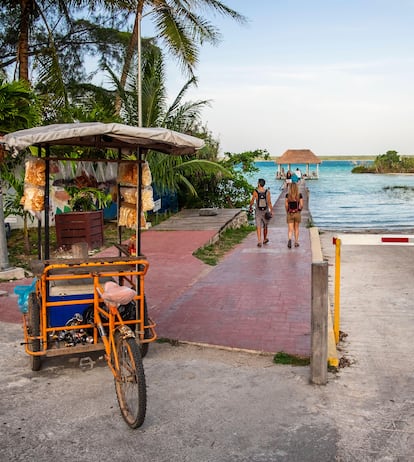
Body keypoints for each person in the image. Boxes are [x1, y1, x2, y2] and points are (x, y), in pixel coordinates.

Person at [249, 178, 273, 247]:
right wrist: (271, 210)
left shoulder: (255, 191)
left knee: (258, 226)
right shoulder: (267, 192)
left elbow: (252, 200)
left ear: (259, 184)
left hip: (258, 211)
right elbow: (269, 202)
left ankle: (259, 241)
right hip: (265, 211)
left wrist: (250, 207)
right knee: (265, 226)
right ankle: (265, 239)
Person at [285, 180, 304, 248]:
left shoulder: (288, 195)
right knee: (296, 228)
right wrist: (300, 210)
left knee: (290, 229)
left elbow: (286, 205)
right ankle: (296, 242)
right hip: (297, 213)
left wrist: (287, 211)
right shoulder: (299, 195)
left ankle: (290, 239)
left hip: (290, 213)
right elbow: (301, 205)